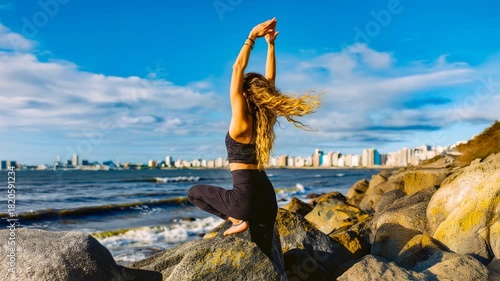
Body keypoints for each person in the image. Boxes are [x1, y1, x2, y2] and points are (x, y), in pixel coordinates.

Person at [188, 17, 321, 258]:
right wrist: (271, 46)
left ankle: (236, 220)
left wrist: (251, 37)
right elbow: (270, 83)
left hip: (244, 201)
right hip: (267, 198)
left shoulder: (241, 120)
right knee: (266, 256)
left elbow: (237, 69)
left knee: (194, 192)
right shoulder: (265, 118)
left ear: (245, 94)